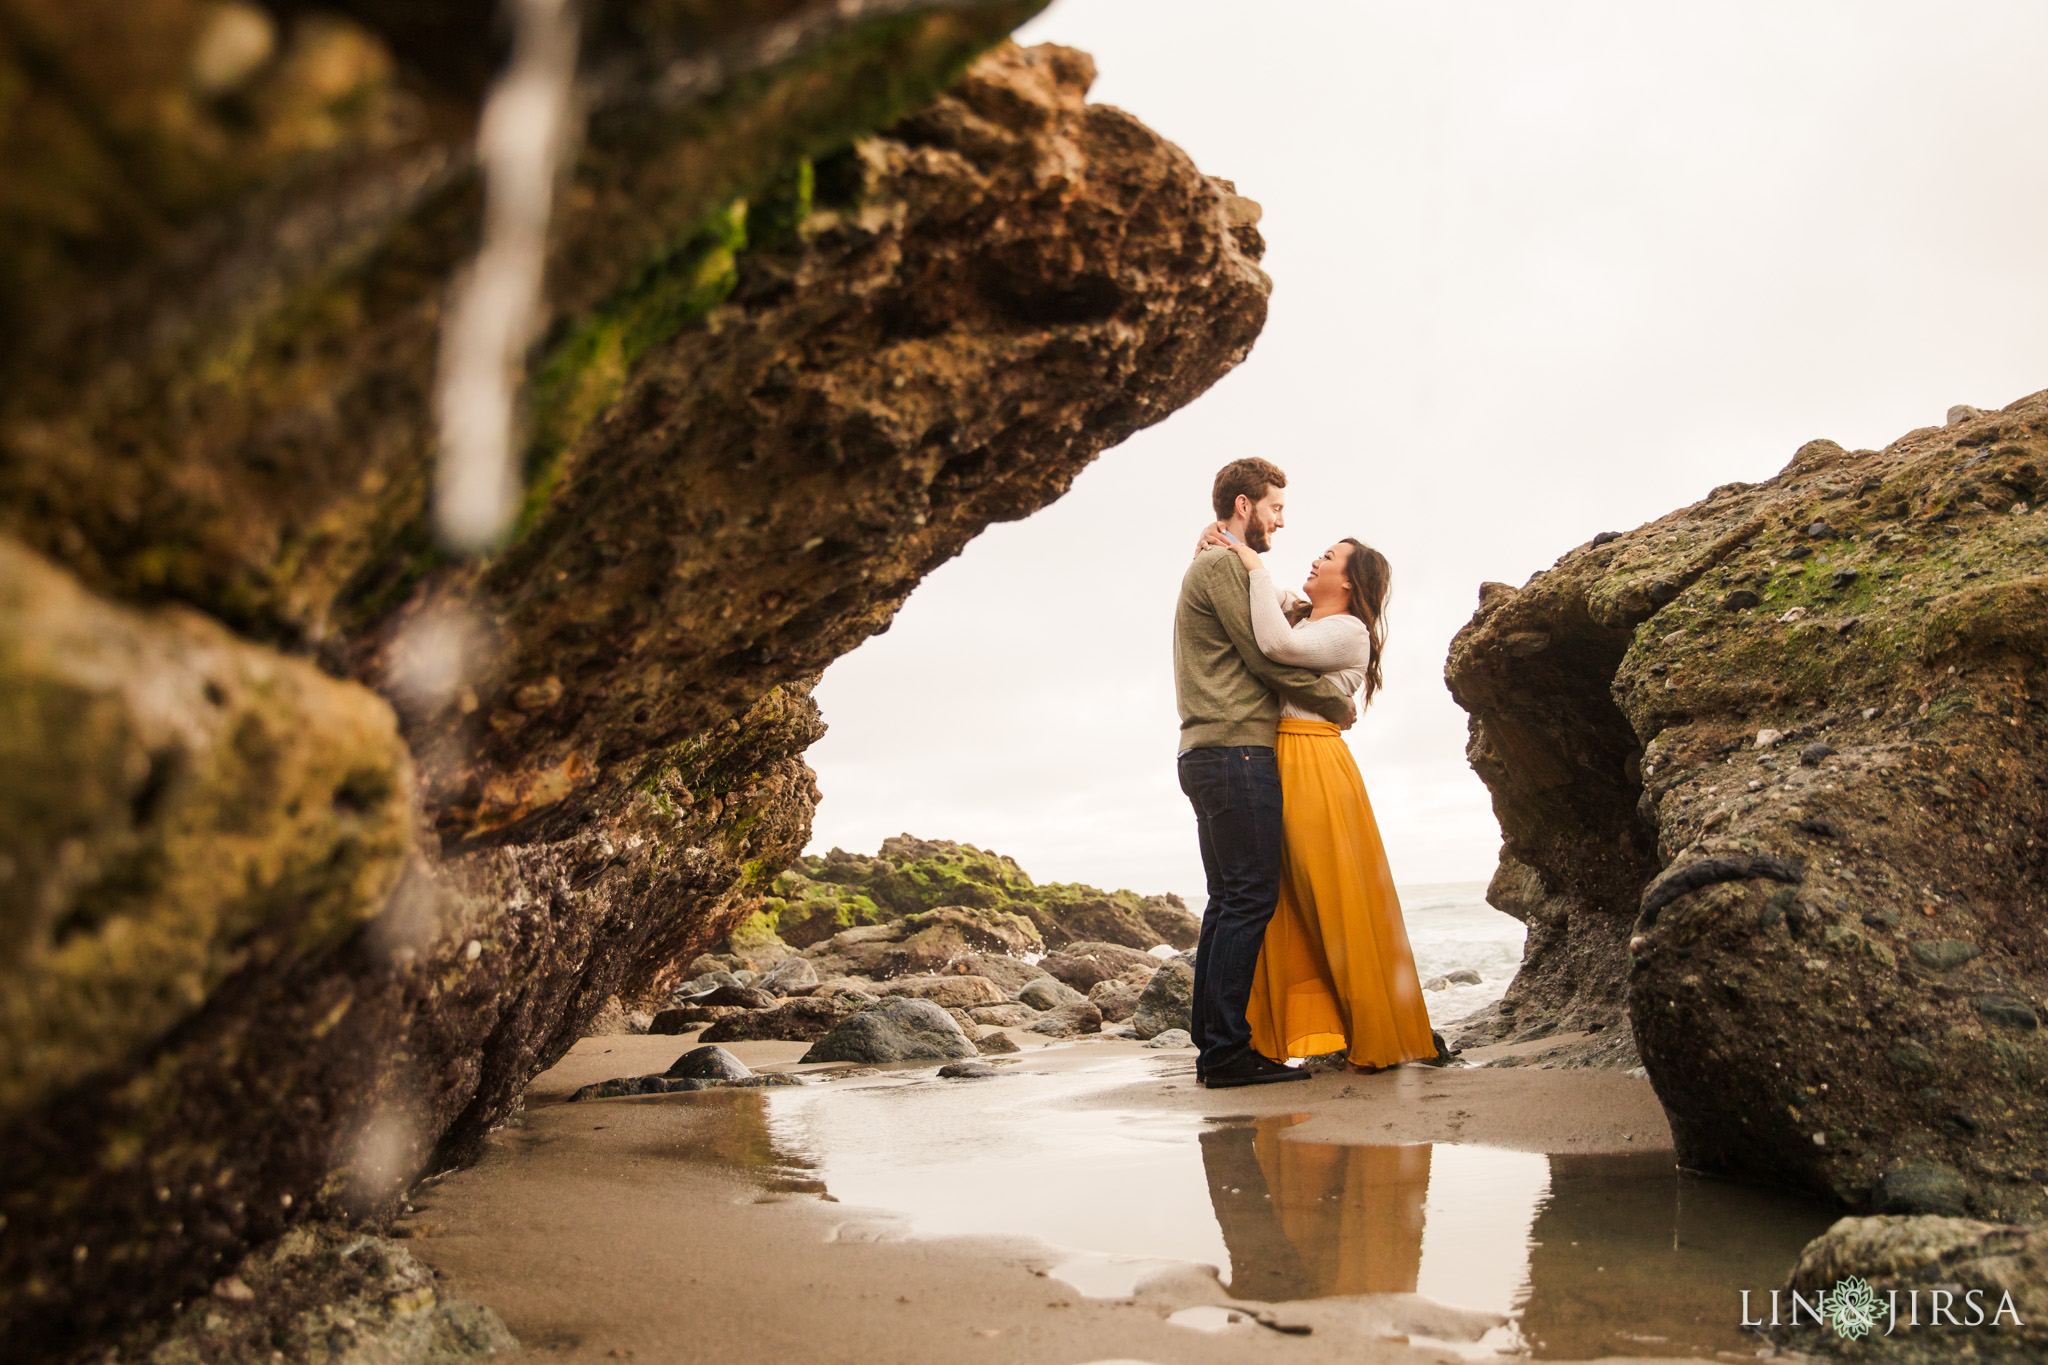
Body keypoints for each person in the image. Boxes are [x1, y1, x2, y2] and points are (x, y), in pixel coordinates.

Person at [1195, 526, 1439, 1071]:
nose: (1315, 559)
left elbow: (1275, 645)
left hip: (1312, 764)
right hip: (1278, 758)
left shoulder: (1349, 630)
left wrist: (1253, 566)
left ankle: (1374, 1029)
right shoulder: (1306, 614)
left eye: (1328, 556)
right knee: (1282, 899)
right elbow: (1260, 596)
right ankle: (1275, 1033)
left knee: (1331, 894)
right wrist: (1225, 548)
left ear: (1350, 582)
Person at [1173, 458, 1356, 1089]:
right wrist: (1338, 704)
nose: (1282, 519)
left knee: (1229, 900)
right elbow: (1265, 656)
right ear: (1245, 506)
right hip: (1234, 752)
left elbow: (1288, 619)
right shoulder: (1224, 564)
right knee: (1248, 898)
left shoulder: (1219, 561)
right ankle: (1225, 1054)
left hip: (1210, 753)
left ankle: (1214, 1045)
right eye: (1276, 507)